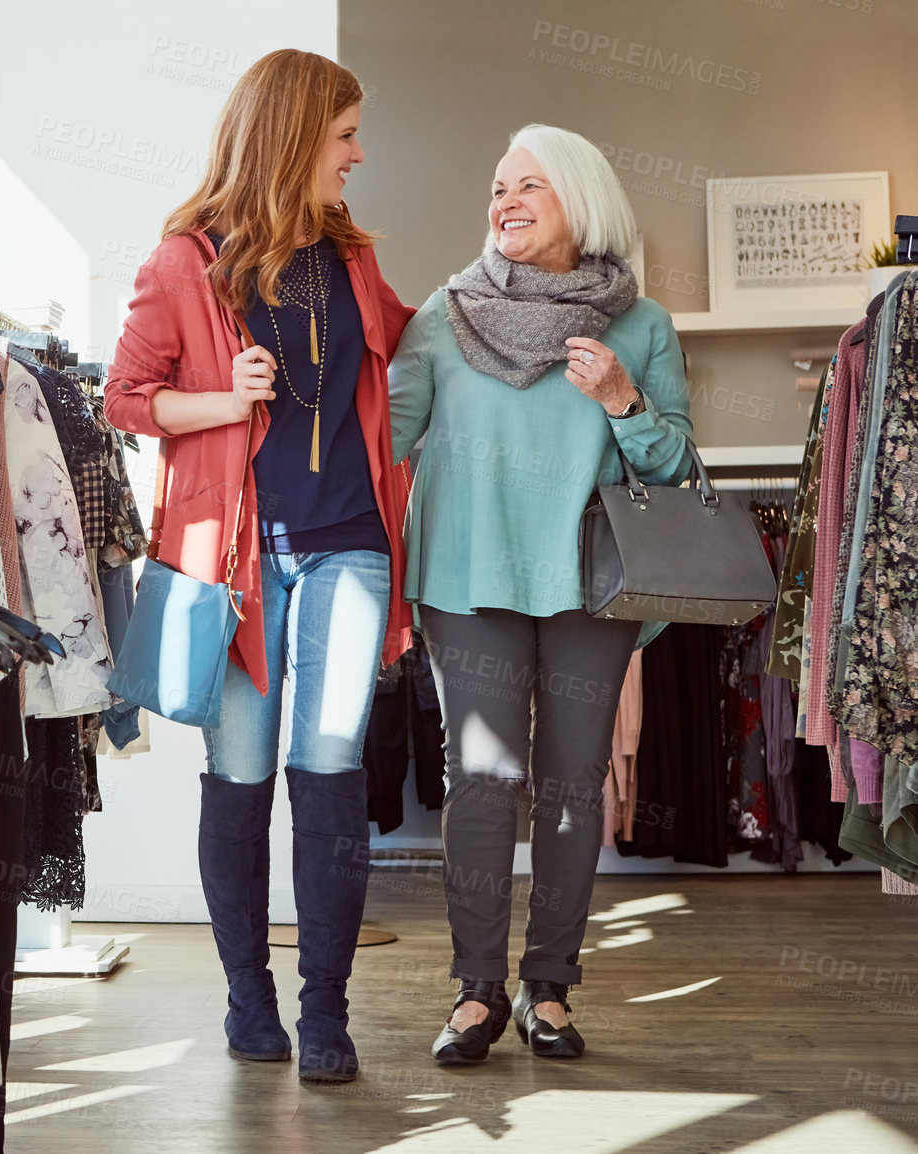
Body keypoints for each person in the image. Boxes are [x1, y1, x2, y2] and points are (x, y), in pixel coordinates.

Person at [105, 49, 415, 1084]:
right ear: (292, 138)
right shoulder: (186, 260)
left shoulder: (354, 259)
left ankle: (326, 1009)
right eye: (344, 137)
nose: (357, 156)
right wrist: (223, 400)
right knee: (238, 778)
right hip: (234, 566)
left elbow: (416, 356)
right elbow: (125, 396)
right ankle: (250, 996)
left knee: (330, 773)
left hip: (350, 550)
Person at [387, 124, 695, 1063]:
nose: (505, 202)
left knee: (569, 790)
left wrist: (621, 402)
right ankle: (476, 992)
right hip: (466, 580)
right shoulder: (442, 314)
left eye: (530, 186)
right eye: (496, 187)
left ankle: (548, 989)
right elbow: (384, 435)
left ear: (580, 201)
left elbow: (676, 461)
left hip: (587, 588)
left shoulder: (637, 324)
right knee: (482, 786)